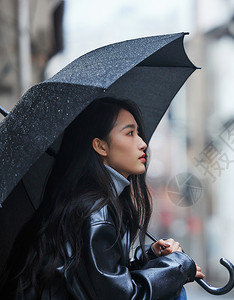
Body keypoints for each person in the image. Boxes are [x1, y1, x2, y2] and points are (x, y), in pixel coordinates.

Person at [0, 98, 204, 299]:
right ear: (100, 146)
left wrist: (149, 258)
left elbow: (97, 282)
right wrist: (178, 266)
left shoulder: (88, 202)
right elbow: (123, 296)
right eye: (130, 133)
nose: (142, 144)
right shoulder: (96, 212)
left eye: (139, 133)